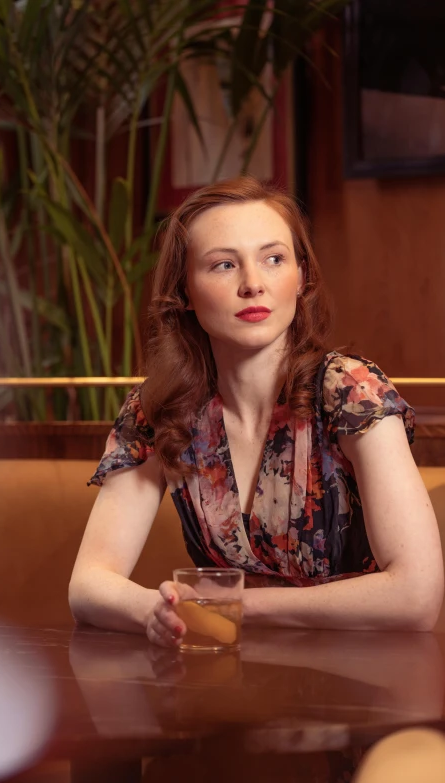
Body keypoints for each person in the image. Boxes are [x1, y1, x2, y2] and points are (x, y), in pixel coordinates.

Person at [69, 176, 443, 647]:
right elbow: (88, 585)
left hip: (365, 681)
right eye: (224, 264)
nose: (253, 284)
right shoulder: (160, 410)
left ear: (301, 276)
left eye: (273, 259)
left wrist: (235, 606)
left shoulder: (349, 390)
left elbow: (417, 596)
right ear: (184, 289)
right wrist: (156, 610)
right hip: (227, 684)